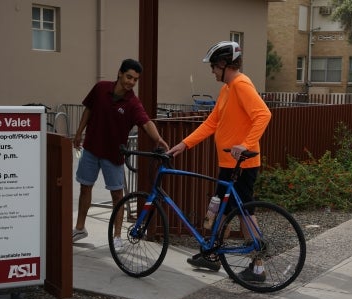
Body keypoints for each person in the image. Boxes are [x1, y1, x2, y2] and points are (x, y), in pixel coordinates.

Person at [167, 41, 271, 282]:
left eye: (213, 66)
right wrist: (184, 145)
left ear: (225, 64)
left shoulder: (241, 84)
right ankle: (212, 255)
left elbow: (263, 114)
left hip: (242, 165)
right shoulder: (227, 89)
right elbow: (211, 123)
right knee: (219, 208)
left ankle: (258, 266)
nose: (212, 71)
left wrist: (245, 144)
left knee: (245, 212)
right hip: (228, 164)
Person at [72, 58, 169, 251]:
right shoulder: (100, 88)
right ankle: (80, 228)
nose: (131, 82)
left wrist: (158, 139)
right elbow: (88, 110)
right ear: (120, 73)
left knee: (118, 196)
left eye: (135, 79)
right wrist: (78, 133)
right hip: (91, 148)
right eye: (129, 77)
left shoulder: (133, 103)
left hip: (113, 155)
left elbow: (146, 121)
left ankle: (117, 237)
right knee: (85, 188)